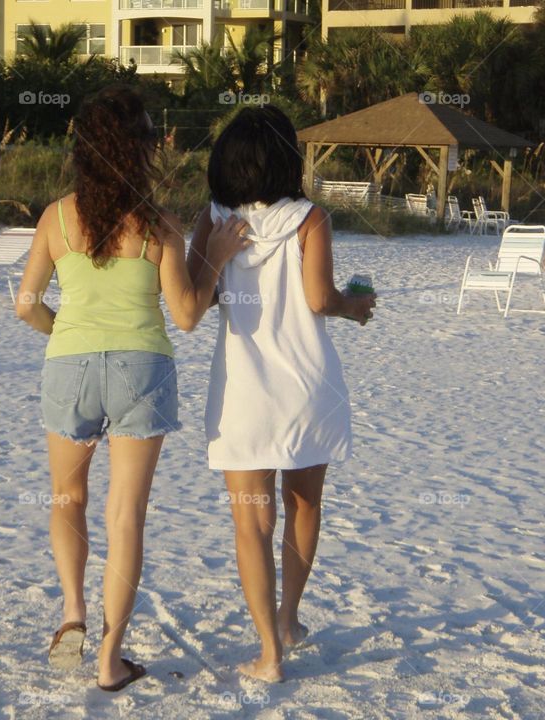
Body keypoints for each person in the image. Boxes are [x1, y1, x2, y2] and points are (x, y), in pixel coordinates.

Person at [15, 85, 249, 692]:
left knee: (67, 499)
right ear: (138, 150)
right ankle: (110, 658)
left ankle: (73, 611)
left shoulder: (55, 217)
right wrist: (216, 256)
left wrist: (62, 331)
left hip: (69, 364)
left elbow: (25, 305)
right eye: (150, 136)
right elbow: (190, 313)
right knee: (127, 514)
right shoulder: (156, 223)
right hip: (142, 369)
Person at [187, 105, 376, 682]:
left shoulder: (212, 220)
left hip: (243, 393)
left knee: (251, 522)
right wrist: (355, 305)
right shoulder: (309, 218)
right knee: (304, 504)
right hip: (306, 387)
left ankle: (268, 651)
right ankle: (290, 618)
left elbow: (199, 299)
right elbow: (320, 299)